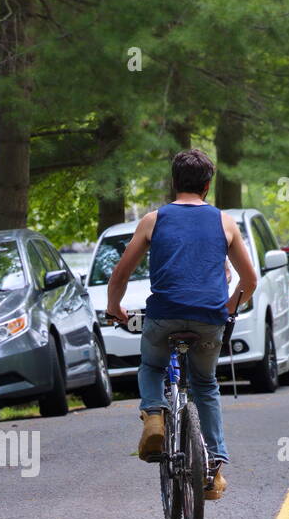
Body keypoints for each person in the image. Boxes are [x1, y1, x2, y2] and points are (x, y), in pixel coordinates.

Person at [104, 149, 258, 499]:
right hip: (209, 319)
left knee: (152, 365)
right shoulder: (224, 222)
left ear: (174, 183)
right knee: (205, 384)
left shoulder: (153, 220)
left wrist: (115, 308)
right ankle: (213, 465)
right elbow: (249, 280)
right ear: (207, 185)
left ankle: (155, 415)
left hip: (164, 316)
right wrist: (230, 308)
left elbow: (121, 273)